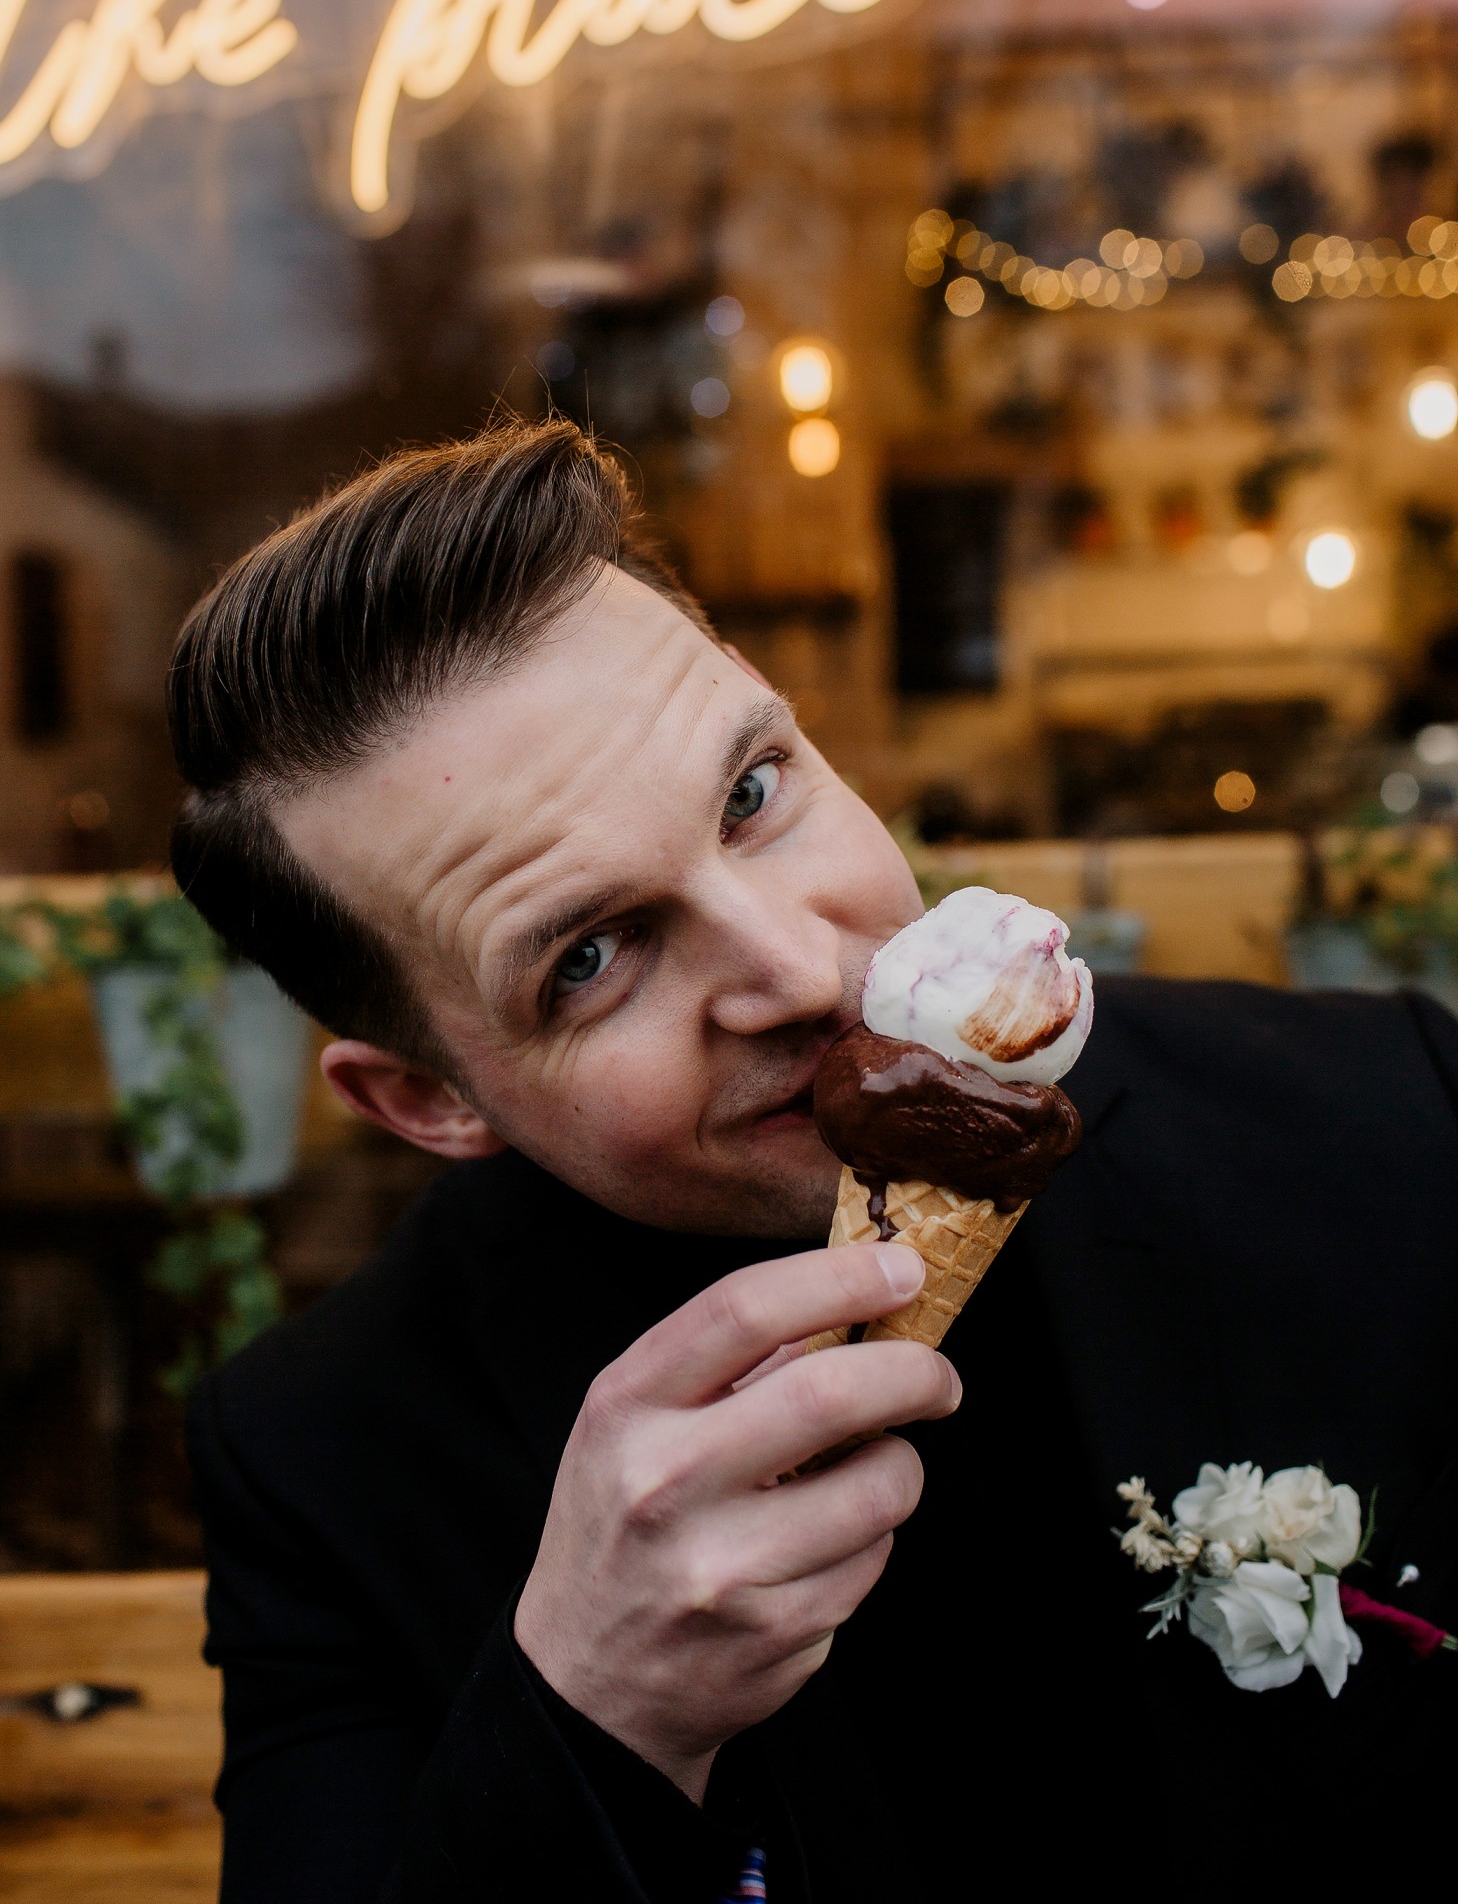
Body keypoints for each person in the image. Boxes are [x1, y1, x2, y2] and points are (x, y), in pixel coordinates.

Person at [174, 422, 1457, 1900]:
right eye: (588, 956)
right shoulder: (329, 1456)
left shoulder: (1387, 1121)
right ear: (426, 1100)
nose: (793, 965)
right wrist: (597, 1717)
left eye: (751, 796)